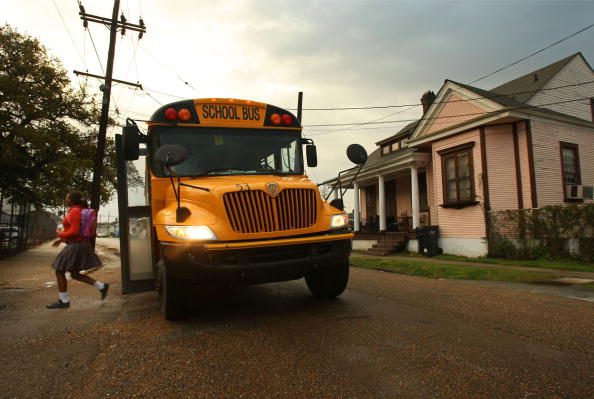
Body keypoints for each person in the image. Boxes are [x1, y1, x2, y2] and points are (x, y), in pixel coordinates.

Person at [46, 191, 109, 309]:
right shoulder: (76, 210)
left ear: (71, 200)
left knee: (59, 270)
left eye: (67, 197)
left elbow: (75, 232)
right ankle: (102, 286)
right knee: (74, 273)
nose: (66, 199)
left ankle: (64, 301)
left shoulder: (74, 212)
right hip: (79, 244)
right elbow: (75, 231)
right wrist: (62, 239)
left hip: (76, 245)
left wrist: (60, 234)